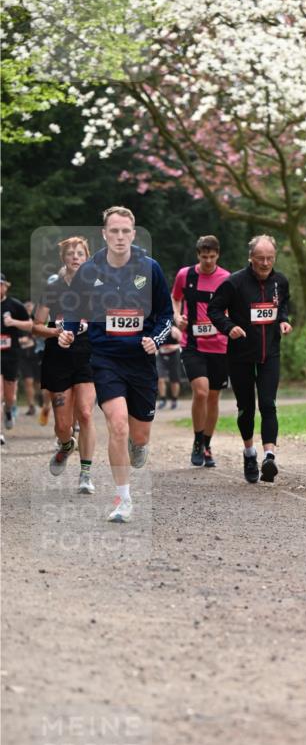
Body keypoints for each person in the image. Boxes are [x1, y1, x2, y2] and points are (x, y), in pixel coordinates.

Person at [59, 207, 173, 522]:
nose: (120, 237)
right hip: (105, 358)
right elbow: (74, 305)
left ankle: (140, 446)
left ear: (133, 234)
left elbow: (166, 314)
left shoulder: (150, 269)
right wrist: (68, 331)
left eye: (126, 231)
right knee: (118, 424)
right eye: (114, 231)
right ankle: (123, 500)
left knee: (139, 436)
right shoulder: (90, 270)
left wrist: (156, 339)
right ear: (104, 234)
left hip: (141, 360)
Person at [208, 234, 292, 483]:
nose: (266, 263)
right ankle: (249, 452)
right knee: (246, 409)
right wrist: (228, 327)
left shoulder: (281, 281)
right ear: (251, 258)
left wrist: (284, 321)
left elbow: (283, 305)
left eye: (270, 258)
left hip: (270, 354)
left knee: (269, 404)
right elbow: (214, 309)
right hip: (240, 356)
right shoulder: (234, 283)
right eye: (260, 258)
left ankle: (269, 457)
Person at [33, 237, 97, 493]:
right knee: (62, 426)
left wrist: (84, 326)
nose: (75, 257)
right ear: (64, 258)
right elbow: (37, 326)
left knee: (85, 412)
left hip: (87, 355)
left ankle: (86, 473)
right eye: (70, 253)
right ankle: (66, 445)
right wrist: (56, 329)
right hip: (57, 357)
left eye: (79, 253)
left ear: (86, 257)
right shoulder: (52, 288)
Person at [171, 236, 230, 467]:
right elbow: (175, 298)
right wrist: (177, 317)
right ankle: (197, 441)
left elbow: (232, 307)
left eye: (212, 257)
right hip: (193, 343)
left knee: (214, 397)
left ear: (218, 255)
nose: (207, 261)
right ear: (198, 255)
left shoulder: (226, 278)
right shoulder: (185, 275)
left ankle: (207, 444)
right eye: (204, 257)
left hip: (219, 345)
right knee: (202, 392)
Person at [1, 273, 33, 431]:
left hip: (11, 353)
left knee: (9, 396)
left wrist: (13, 322)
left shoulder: (14, 305)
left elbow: (30, 325)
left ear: (6, 286)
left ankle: (8, 410)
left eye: (0, 284)